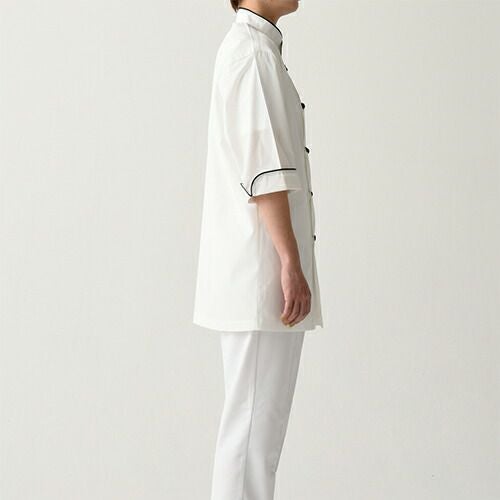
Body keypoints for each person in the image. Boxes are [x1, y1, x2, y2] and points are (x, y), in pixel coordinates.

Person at [192, 1, 324, 498]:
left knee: (256, 436)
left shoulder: (258, 48)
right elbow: (263, 170)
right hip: (261, 276)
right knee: (251, 435)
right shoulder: (251, 53)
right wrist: (290, 261)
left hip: (260, 276)